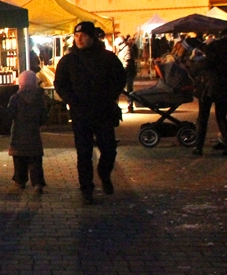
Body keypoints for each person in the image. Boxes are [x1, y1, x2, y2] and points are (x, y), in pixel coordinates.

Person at [54, 21, 126, 204]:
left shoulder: (107, 58)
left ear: (92, 37)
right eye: (76, 36)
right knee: (84, 153)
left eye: (83, 36)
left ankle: (104, 173)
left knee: (109, 149)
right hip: (81, 114)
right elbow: (60, 84)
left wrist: (109, 97)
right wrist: (72, 100)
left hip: (103, 112)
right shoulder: (69, 60)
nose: (79, 39)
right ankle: (86, 188)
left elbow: (120, 79)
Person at [7, 70, 48, 194]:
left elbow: (10, 114)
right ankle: (37, 182)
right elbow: (44, 117)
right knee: (35, 159)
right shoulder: (39, 98)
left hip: (18, 134)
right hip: (34, 133)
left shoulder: (15, 98)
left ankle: (20, 180)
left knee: (19, 159)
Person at [191, 30, 227, 156]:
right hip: (226, 88)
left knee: (203, 117)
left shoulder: (214, 47)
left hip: (208, 87)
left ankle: (198, 146)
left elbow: (203, 66)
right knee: (222, 118)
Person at [116, 35, 139, 112]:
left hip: (128, 73)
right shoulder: (124, 49)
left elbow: (127, 62)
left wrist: (121, 70)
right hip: (126, 72)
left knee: (129, 90)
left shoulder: (127, 50)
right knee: (124, 89)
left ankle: (130, 105)